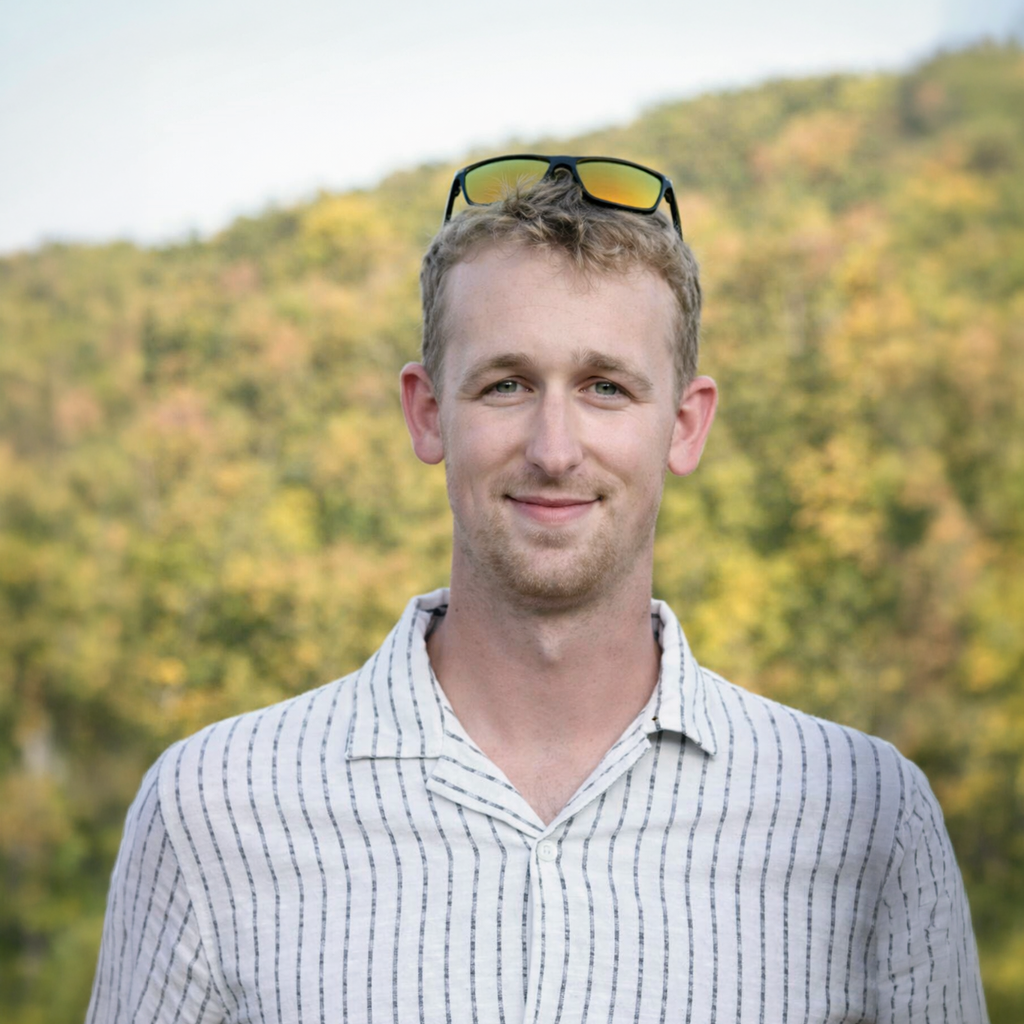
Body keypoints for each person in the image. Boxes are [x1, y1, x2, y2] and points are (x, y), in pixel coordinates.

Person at [86, 155, 989, 1023]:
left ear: (685, 425)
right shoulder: (209, 813)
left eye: (606, 388)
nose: (555, 450)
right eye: (507, 384)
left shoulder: (869, 822)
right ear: (427, 413)